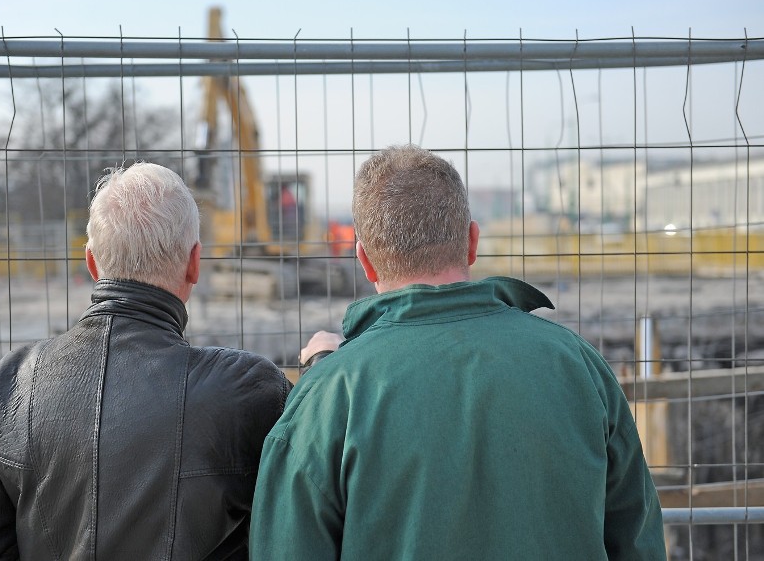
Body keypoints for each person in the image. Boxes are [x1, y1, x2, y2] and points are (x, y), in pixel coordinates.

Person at [250, 145, 666, 560]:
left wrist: (331, 370)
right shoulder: (578, 365)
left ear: (365, 260)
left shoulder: (327, 398)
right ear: (471, 241)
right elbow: (638, 540)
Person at [0, 162, 293, 560]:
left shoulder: (15, 382)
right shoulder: (245, 389)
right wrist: (324, 363)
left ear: (92, 263)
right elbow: (316, 510)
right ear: (194, 263)